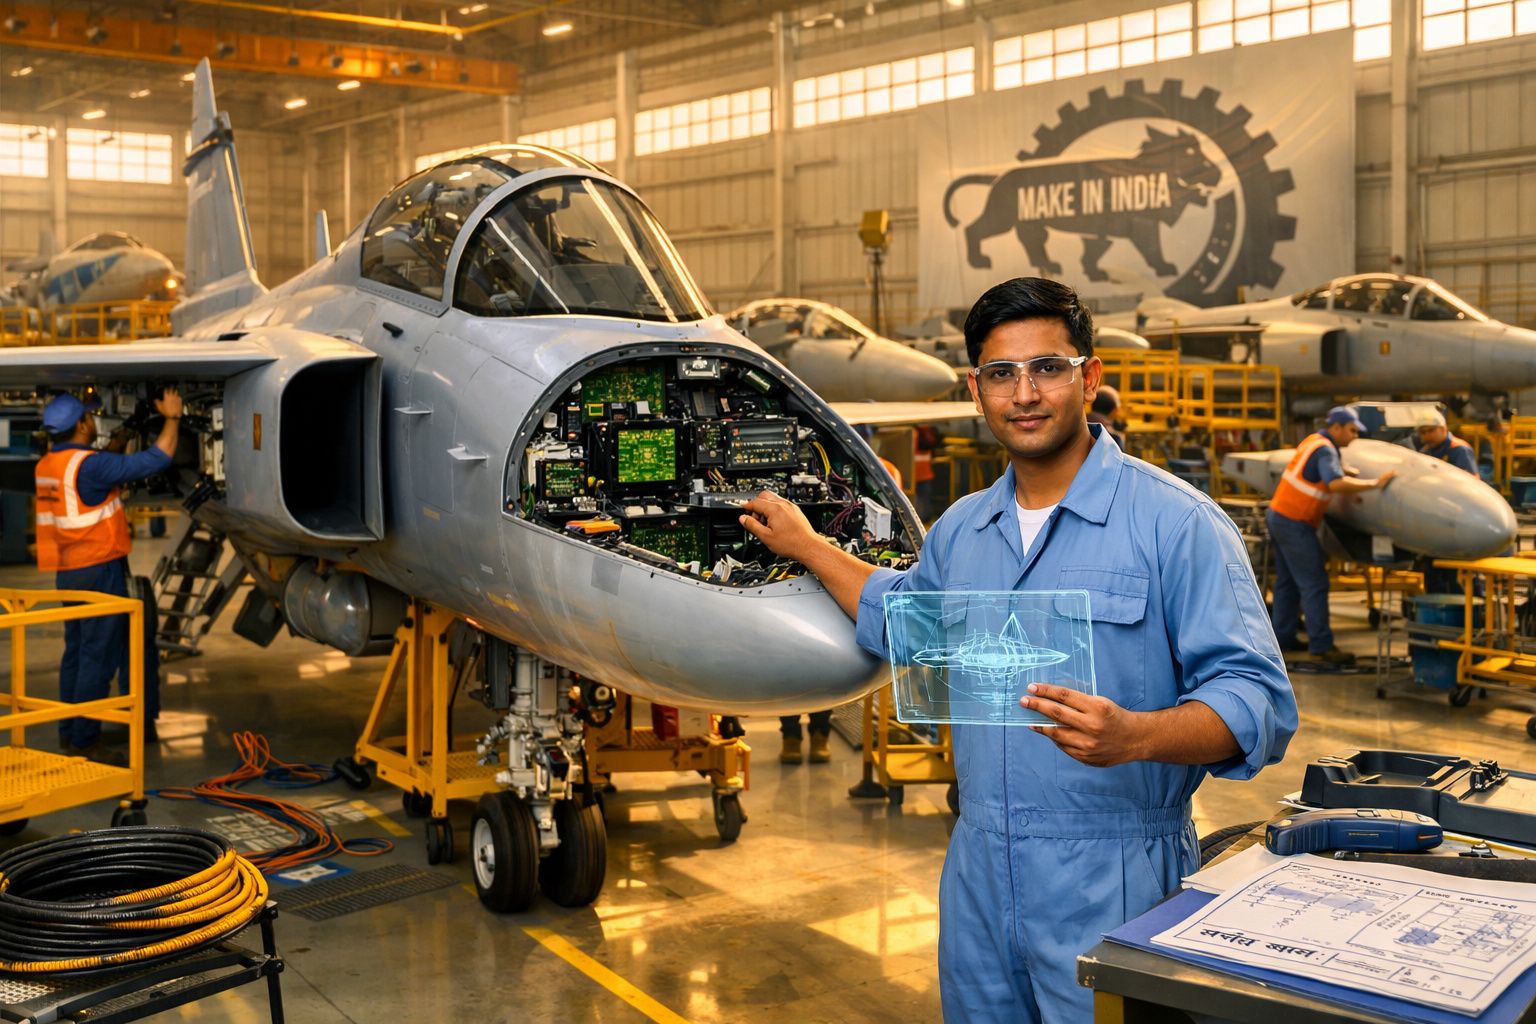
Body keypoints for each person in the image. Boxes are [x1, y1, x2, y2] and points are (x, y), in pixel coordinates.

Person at [738, 277, 1297, 1022]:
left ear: (1089, 378)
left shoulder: (1176, 524)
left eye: (1049, 368)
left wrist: (1138, 735)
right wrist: (807, 547)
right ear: (978, 390)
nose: (1025, 393)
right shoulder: (964, 531)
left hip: (1118, 871)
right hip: (977, 870)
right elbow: (900, 614)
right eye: (1002, 374)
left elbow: (1258, 703)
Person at [36, 387, 181, 761]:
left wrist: (121, 438)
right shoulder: (92, 466)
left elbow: (91, 478)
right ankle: (86, 741)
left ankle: (69, 733)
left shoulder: (51, 464)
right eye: (89, 416)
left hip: (68, 570)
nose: (93, 420)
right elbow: (157, 458)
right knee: (98, 658)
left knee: (78, 652)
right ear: (82, 424)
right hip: (100, 569)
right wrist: (173, 417)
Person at [1266, 406, 1395, 666]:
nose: (1354, 435)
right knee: (1315, 583)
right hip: (1294, 523)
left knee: (1288, 583)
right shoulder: (1325, 449)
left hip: (1279, 516)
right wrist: (1374, 484)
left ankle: (1282, 638)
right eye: (1351, 430)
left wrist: (1344, 471)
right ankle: (1322, 646)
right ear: (1336, 427)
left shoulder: (1315, 441)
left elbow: (1324, 471)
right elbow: (1334, 484)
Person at [1413, 409, 1476, 475]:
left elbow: (1468, 480)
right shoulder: (1425, 452)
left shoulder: (1460, 450)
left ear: (1443, 429)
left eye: (1431, 430)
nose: (1427, 435)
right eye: (1422, 432)